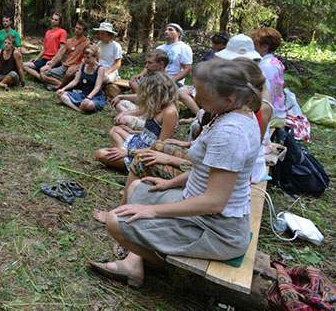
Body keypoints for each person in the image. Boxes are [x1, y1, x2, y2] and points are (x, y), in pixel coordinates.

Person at [90, 59, 262, 289]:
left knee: (115, 221)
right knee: (134, 188)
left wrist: (151, 210)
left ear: (228, 99)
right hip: (195, 206)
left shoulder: (230, 133)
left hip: (217, 229)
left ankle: (157, 265)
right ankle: (136, 261)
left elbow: (215, 202)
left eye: (201, 94)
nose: (194, 97)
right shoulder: (233, 113)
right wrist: (169, 183)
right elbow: (206, 170)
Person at [96, 72, 178, 172]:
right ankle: (122, 158)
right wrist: (133, 132)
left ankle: (129, 164)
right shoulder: (158, 105)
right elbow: (153, 132)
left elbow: (160, 147)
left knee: (100, 154)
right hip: (141, 141)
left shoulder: (169, 113)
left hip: (149, 152)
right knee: (116, 130)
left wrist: (127, 152)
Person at [111, 50, 169, 130]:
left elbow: (149, 110)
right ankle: (129, 119)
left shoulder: (163, 83)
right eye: (147, 63)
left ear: (161, 64)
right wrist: (121, 96)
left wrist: (125, 113)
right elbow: (142, 96)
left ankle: (129, 121)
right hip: (144, 112)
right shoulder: (152, 77)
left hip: (153, 121)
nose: (146, 66)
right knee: (120, 103)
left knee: (122, 119)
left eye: (150, 63)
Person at [249, 27, 286, 128]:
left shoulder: (267, 67)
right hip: (276, 110)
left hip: (271, 114)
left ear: (265, 47)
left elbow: (266, 92)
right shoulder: (273, 62)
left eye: (255, 45)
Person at [41, 19, 91, 90]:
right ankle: (62, 85)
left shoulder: (87, 43)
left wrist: (77, 67)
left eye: (80, 29)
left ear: (84, 31)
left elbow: (86, 60)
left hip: (75, 68)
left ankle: (59, 86)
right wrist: (51, 66)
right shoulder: (69, 41)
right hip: (65, 66)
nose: (77, 30)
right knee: (44, 73)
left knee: (69, 74)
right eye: (76, 28)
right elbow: (60, 55)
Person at [56, 44, 106, 113]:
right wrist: (63, 89)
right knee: (60, 94)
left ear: (95, 57)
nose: (85, 59)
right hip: (83, 94)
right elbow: (75, 81)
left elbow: (97, 87)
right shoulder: (83, 65)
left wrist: (88, 98)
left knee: (89, 105)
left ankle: (81, 105)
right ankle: (79, 109)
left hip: (94, 97)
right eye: (84, 57)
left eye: (88, 57)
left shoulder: (100, 68)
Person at [23, 13, 67, 82]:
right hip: (44, 59)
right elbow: (44, 48)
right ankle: (41, 79)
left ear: (60, 22)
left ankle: (44, 77)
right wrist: (37, 58)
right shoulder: (48, 32)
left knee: (42, 70)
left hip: (53, 60)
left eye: (56, 20)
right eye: (52, 19)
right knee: (24, 65)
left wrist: (53, 61)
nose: (53, 21)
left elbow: (62, 49)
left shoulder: (62, 32)